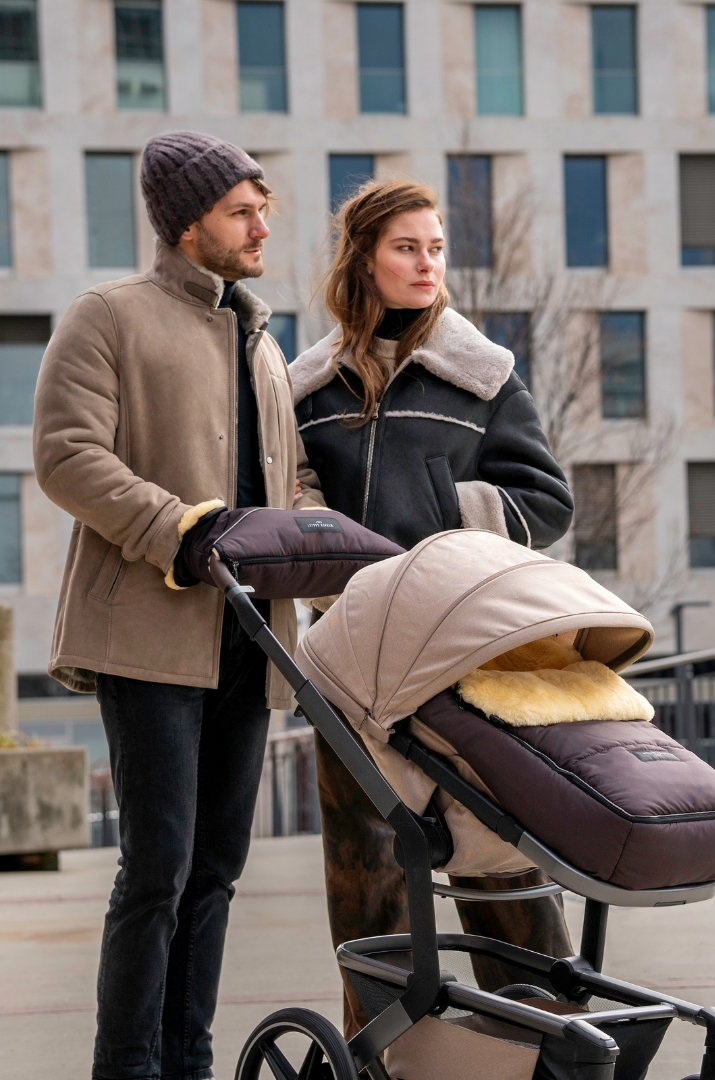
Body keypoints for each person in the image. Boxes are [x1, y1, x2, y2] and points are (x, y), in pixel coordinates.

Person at [33, 131, 322, 1080]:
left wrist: (313, 536)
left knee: (216, 873)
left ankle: (187, 1062)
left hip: (250, 639)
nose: (260, 226)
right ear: (187, 223)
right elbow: (69, 458)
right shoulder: (108, 316)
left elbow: (292, 476)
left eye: (261, 209)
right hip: (149, 638)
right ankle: (128, 1067)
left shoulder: (259, 338)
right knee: (155, 871)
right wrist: (182, 531)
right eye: (242, 211)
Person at [290, 178, 575, 1036]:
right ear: (364, 261)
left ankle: (549, 1041)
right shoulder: (309, 389)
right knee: (365, 875)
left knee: (494, 856)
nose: (426, 264)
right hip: (348, 661)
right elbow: (293, 492)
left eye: (436, 247)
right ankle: (387, 1052)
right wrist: (322, 544)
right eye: (406, 247)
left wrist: (440, 523)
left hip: (462, 652)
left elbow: (548, 501)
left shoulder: (481, 375)